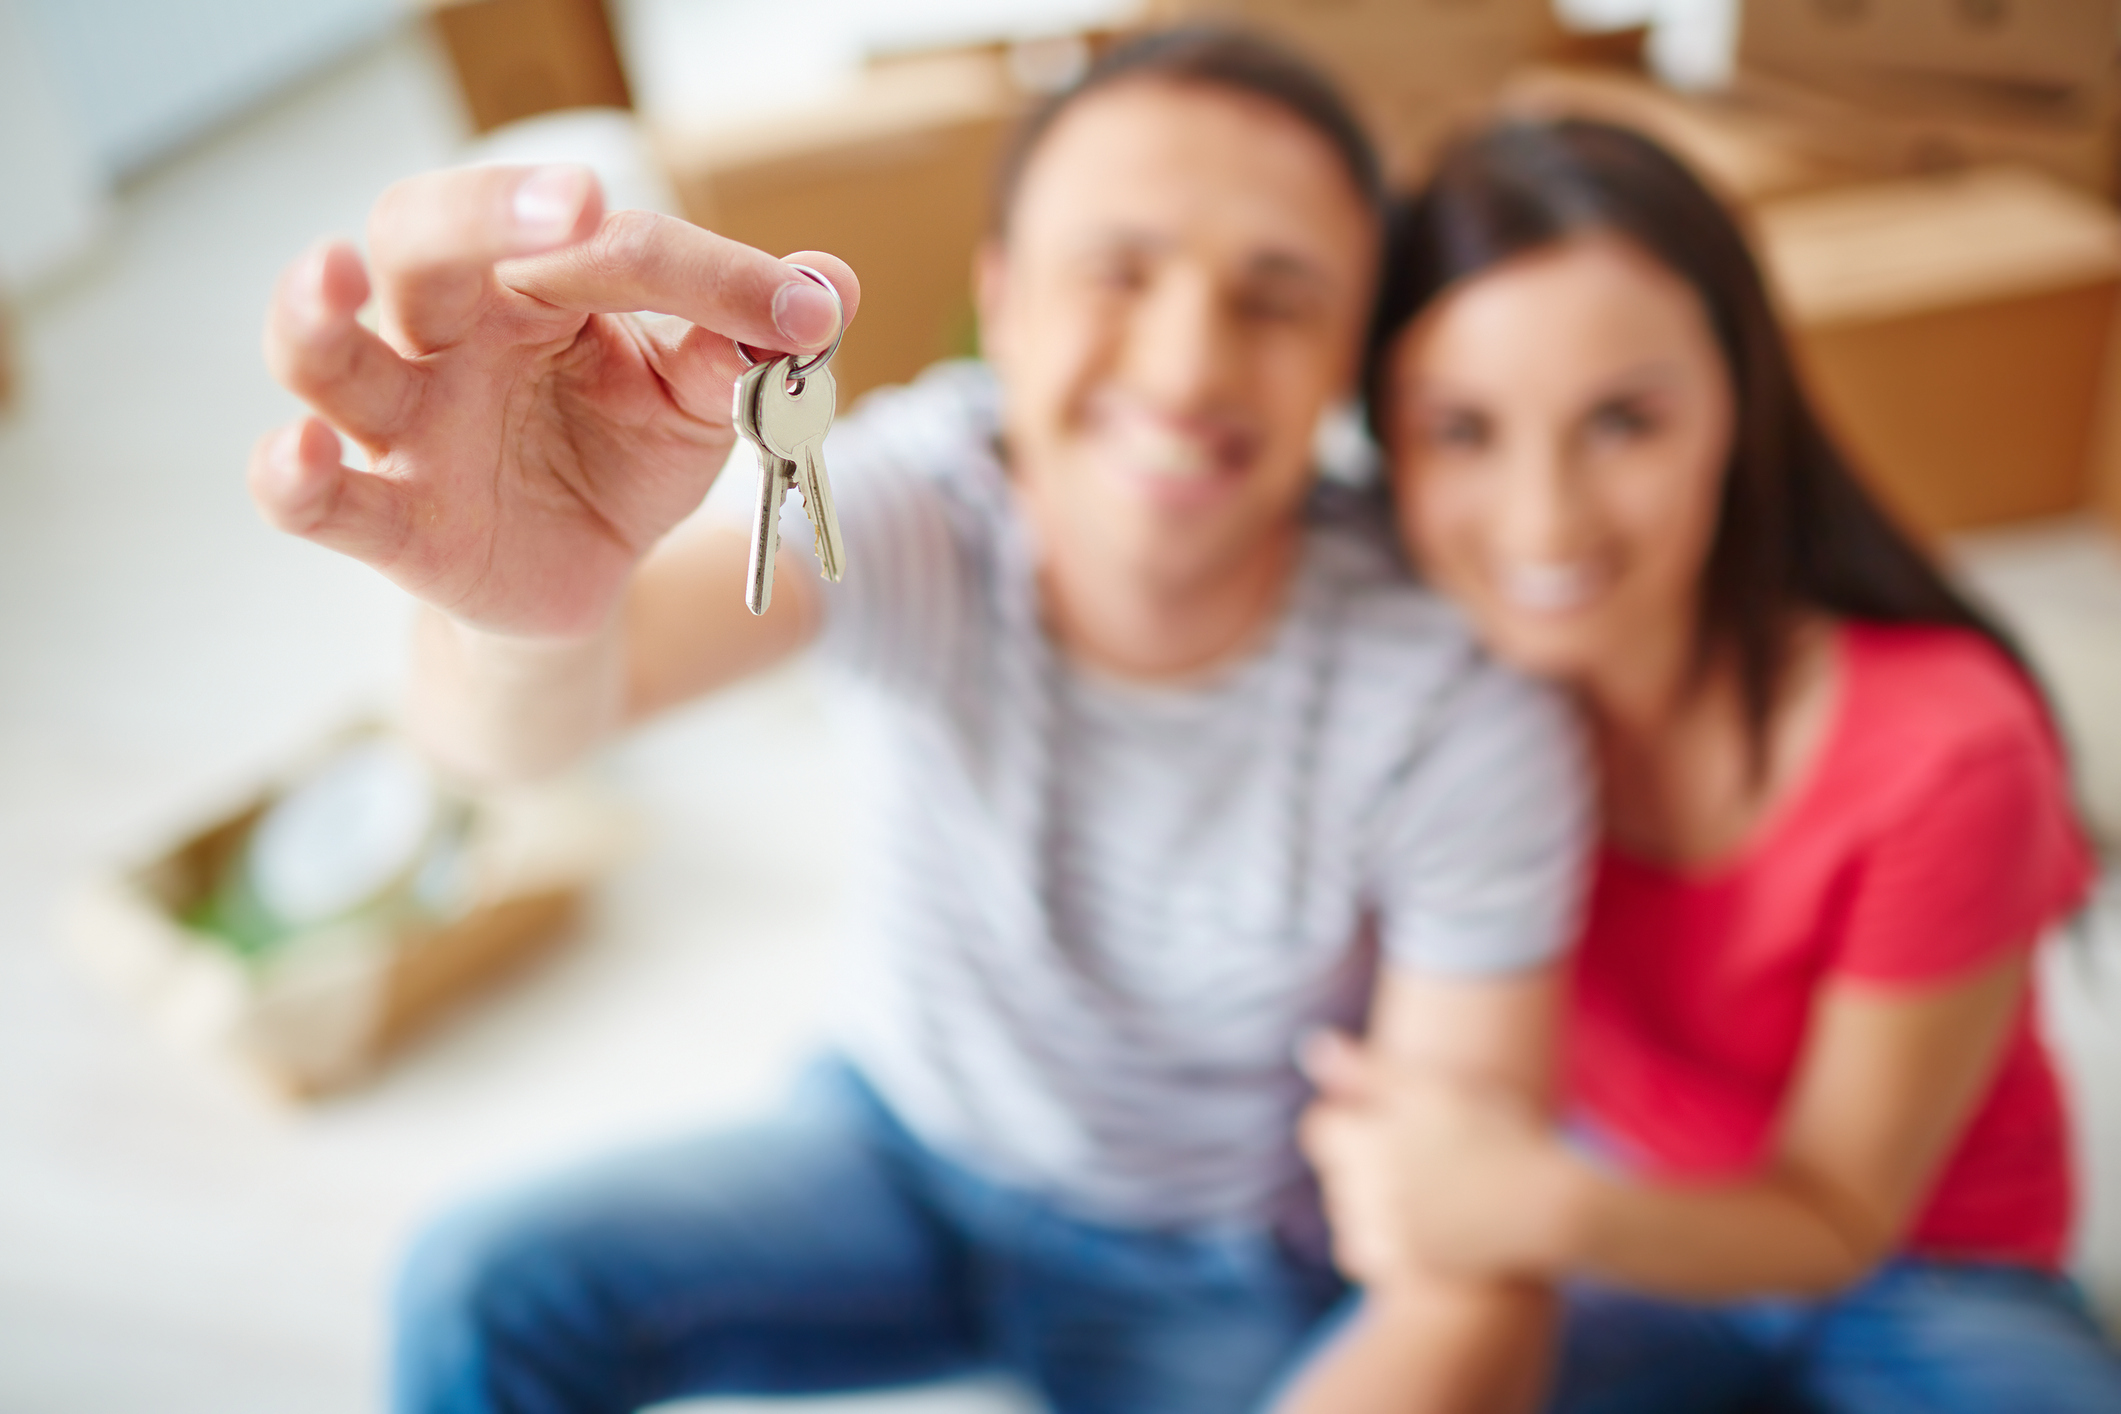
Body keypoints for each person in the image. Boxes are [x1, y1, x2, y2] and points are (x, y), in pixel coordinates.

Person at [250, 30, 1589, 1414]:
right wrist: (519, 616)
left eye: (1277, 297)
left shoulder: (1453, 698)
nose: (1189, 366)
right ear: (998, 304)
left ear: (1345, 367)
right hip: (895, 1148)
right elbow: (513, 734)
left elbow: (1464, 1275)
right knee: (487, 1286)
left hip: (1218, 1268)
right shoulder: (923, 495)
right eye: (1116, 271)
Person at [1277, 119, 2121, 1414]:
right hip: (1610, 1208)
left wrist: (1539, 1202)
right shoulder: (1431, 708)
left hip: (1924, 1267)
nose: (1544, 517)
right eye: (1461, 430)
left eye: (1623, 421)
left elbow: (1836, 1212)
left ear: (1738, 402)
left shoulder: (1944, 751)